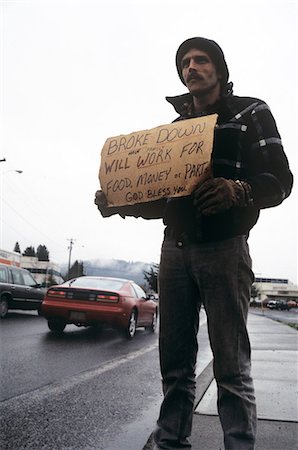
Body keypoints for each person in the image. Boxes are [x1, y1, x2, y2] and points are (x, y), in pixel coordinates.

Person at [95, 37, 293, 449]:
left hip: (225, 247)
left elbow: (280, 180)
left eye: (201, 60)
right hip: (175, 249)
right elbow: (160, 201)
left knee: (231, 365)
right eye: (185, 62)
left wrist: (238, 190)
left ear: (219, 69)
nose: (192, 67)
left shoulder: (251, 112)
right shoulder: (174, 133)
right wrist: (120, 203)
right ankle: (170, 441)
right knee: (175, 363)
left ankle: (238, 444)